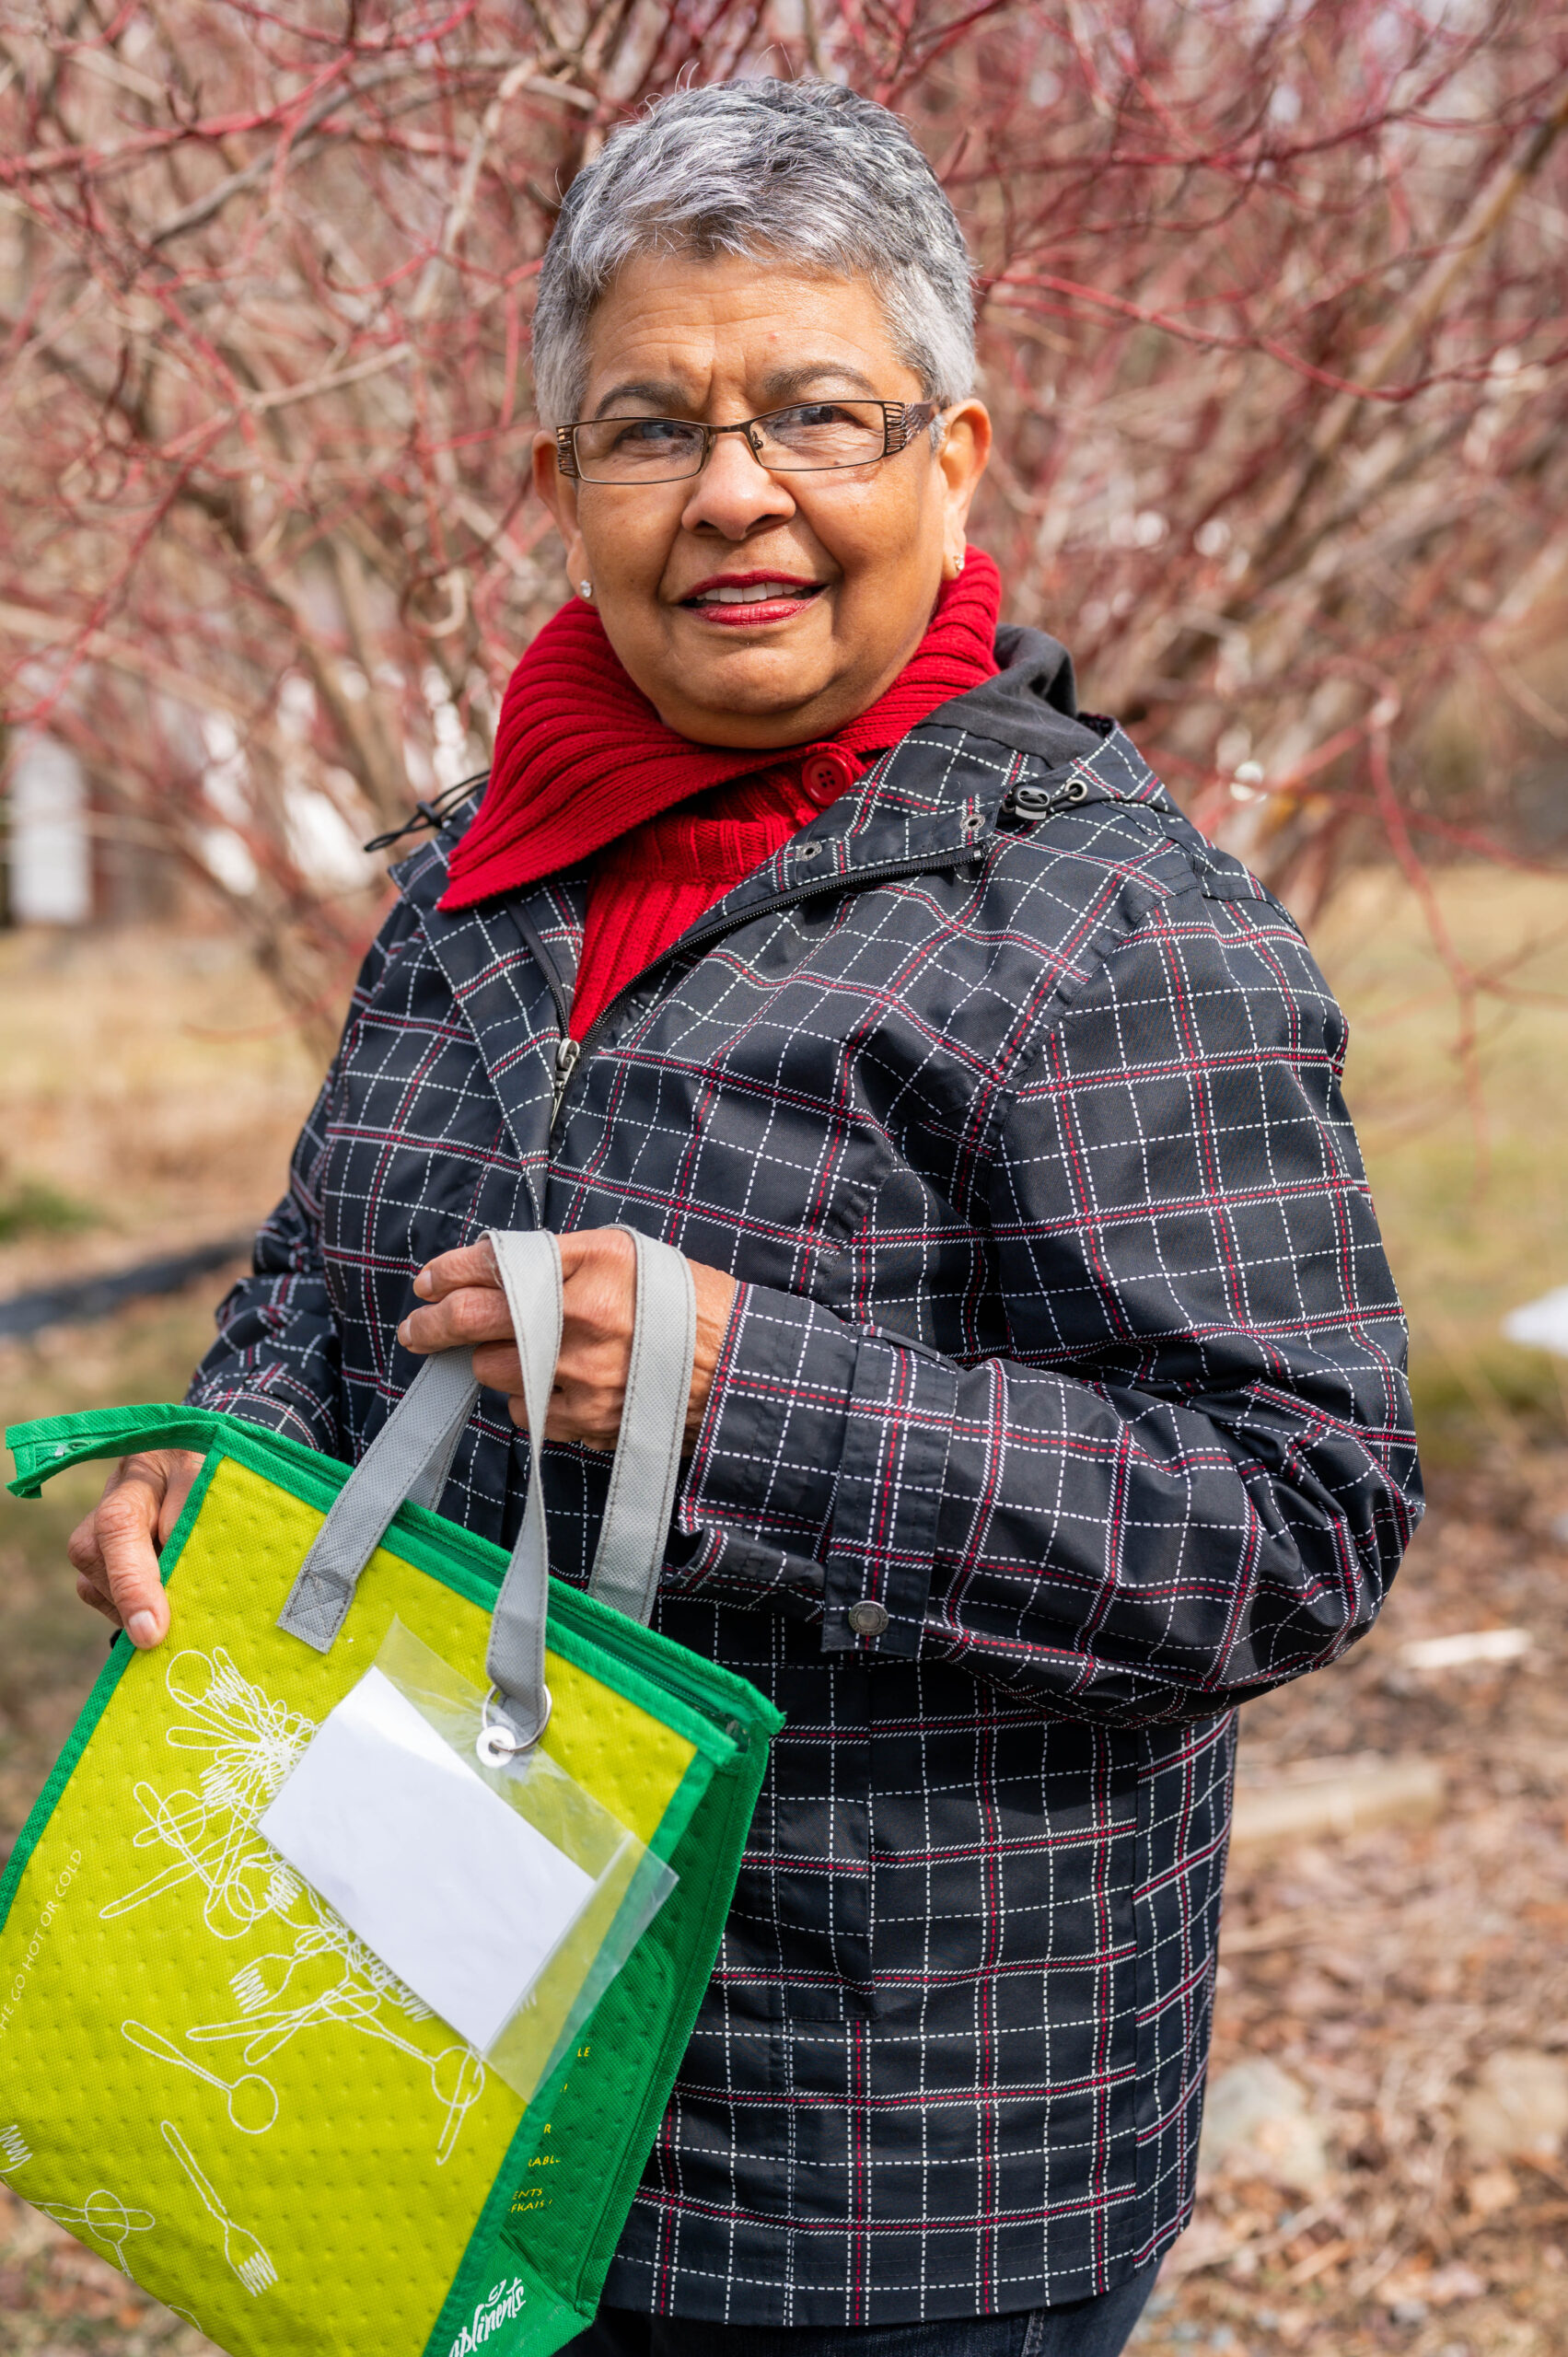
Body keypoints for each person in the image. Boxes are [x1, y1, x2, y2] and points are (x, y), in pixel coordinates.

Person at [66, 78, 1421, 2357]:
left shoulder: (1105, 930)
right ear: (558, 486)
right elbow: (329, 1266)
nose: (738, 493)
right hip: (433, 2038)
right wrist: (227, 1441)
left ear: (955, 457)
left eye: (818, 413)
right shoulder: (496, 867)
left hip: (870, 2171)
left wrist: (739, 1391)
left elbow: (1298, 1512)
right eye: (654, 425)